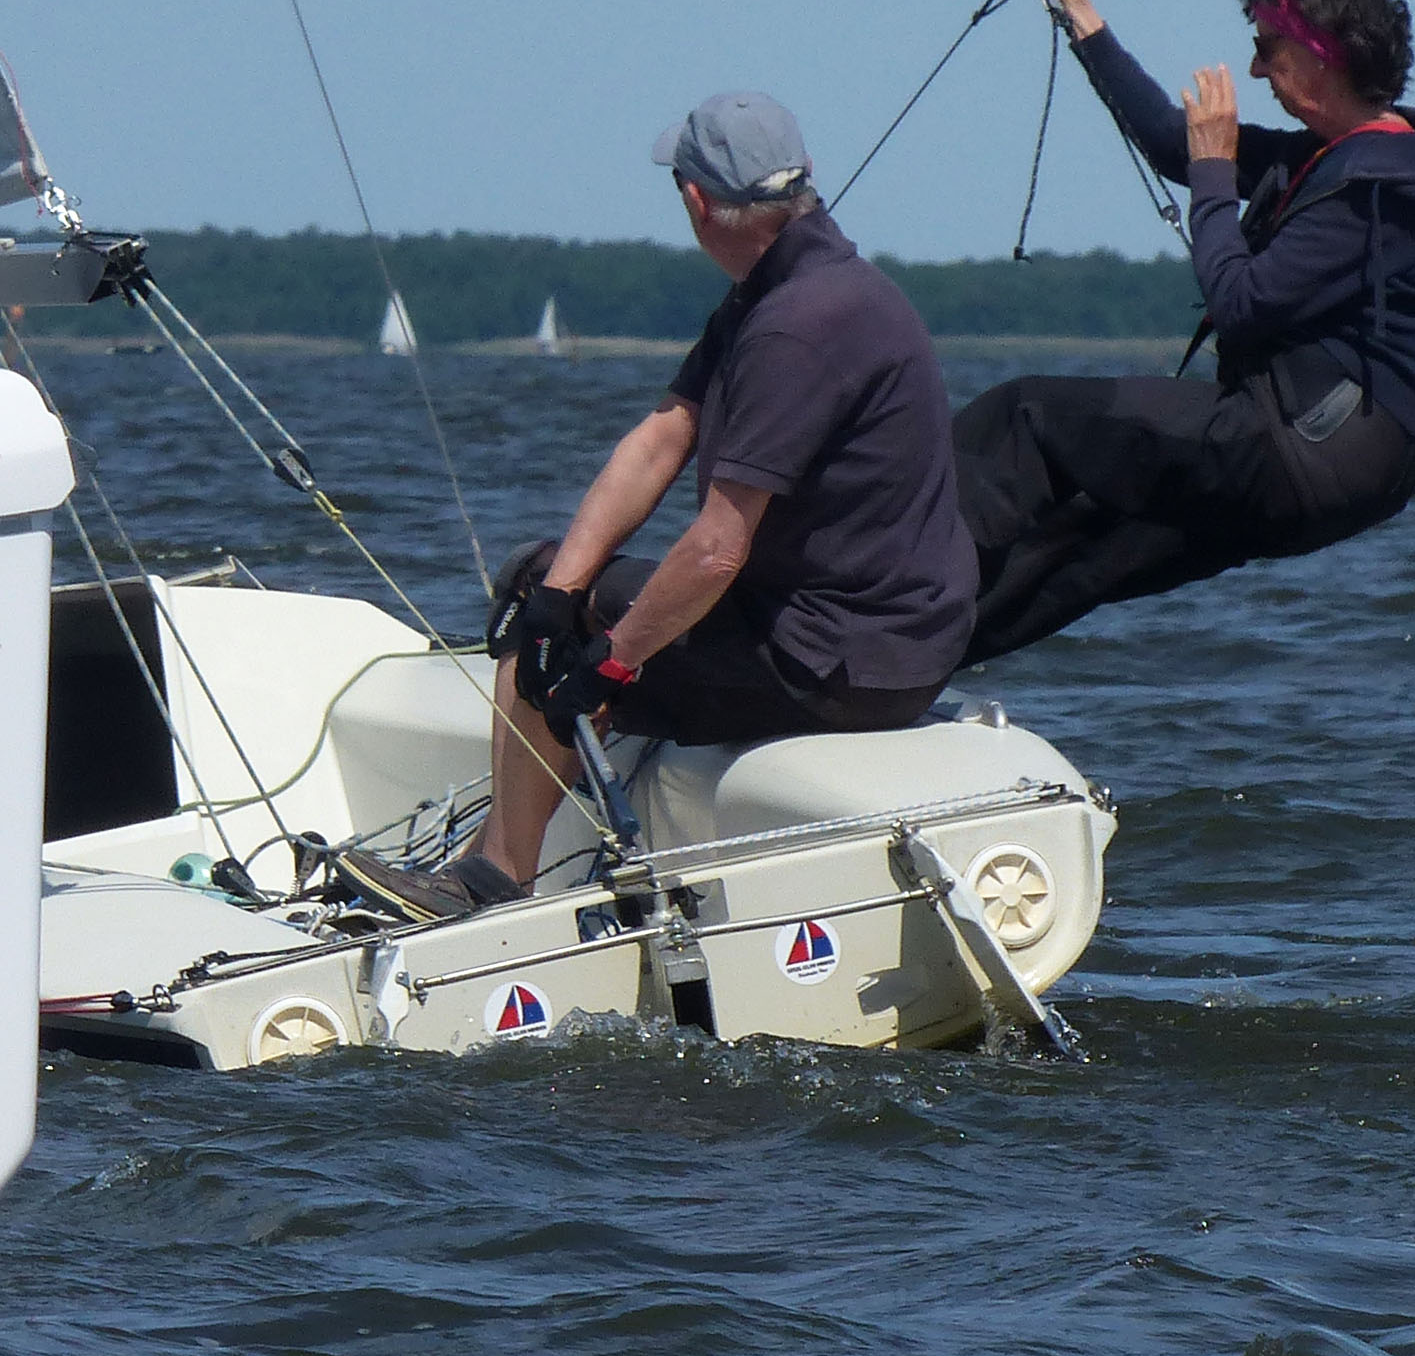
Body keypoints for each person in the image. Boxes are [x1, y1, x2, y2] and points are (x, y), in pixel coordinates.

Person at [342, 93, 975, 920]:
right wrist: (560, 589)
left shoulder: (796, 326)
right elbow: (665, 434)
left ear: (695, 199)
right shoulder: (793, 287)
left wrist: (605, 660)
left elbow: (717, 549)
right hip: (884, 635)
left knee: (553, 641)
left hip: (847, 661)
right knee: (549, 598)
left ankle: (491, 879)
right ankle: (531, 820)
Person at [953, 0, 1415, 663]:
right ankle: (888, 670)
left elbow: (1243, 301)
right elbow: (1169, 142)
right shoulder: (1346, 155)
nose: (1253, 70)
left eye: (1266, 49)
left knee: (1024, 415)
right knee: (1078, 550)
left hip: (1304, 451)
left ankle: (869, 582)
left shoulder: (1377, 186)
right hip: (1335, 469)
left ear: (1319, 53)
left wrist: (1216, 173)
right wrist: (1074, 4)